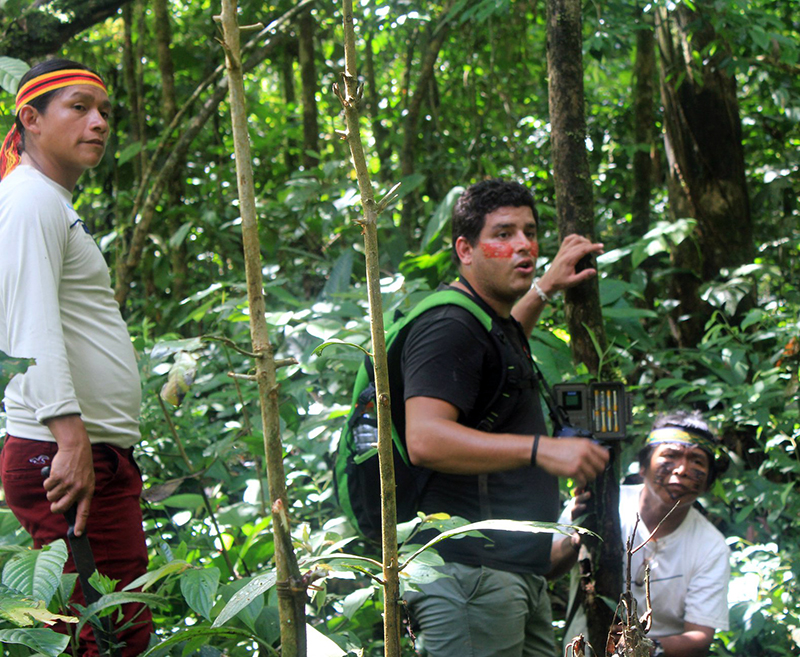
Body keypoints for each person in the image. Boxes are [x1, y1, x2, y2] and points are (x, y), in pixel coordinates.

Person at [401, 179, 610, 657]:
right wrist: (541, 449)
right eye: (503, 233)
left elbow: (500, 350)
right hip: (470, 577)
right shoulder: (448, 327)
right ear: (465, 249)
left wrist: (545, 286)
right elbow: (425, 439)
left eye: (530, 232)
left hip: (514, 573)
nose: (524, 245)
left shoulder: (484, 322)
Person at [0, 59, 152, 655]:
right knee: (110, 639)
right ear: (31, 119)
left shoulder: (49, 202)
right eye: (80, 107)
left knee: (108, 630)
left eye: (105, 111)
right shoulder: (30, 201)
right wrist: (69, 439)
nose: (99, 122)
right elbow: (26, 327)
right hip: (63, 453)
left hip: (91, 453)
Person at [552, 411, 730, 657]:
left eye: (697, 461)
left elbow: (699, 637)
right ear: (643, 466)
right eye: (670, 456)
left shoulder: (711, 545)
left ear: (709, 481)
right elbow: (547, 569)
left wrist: (643, 647)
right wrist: (579, 534)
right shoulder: (598, 506)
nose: (682, 469)